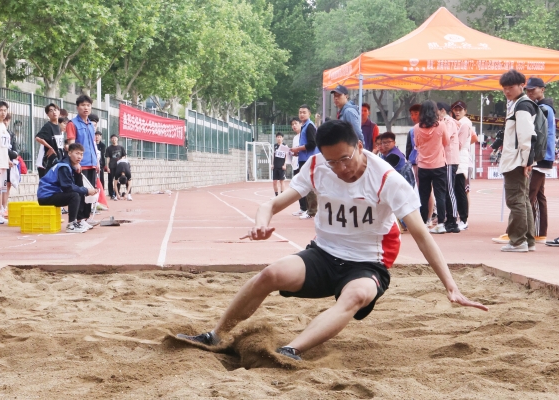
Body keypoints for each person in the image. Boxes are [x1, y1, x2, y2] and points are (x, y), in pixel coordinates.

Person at [176, 119, 487, 361]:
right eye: (332, 162)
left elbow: (421, 236)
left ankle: (290, 350)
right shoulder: (316, 167)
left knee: (355, 295)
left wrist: (451, 286)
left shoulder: (387, 179)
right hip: (323, 254)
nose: (340, 169)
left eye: (345, 159)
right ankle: (216, 335)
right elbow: (270, 205)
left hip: (367, 264)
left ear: (361, 146)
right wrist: (260, 223)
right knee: (270, 274)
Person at [493, 70, 537, 252]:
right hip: (518, 159)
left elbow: (526, 136)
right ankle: (527, 240)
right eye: (504, 88)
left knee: (516, 201)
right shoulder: (519, 104)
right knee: (522, 200)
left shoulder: (522, 106)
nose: (507, 91)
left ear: (521, 85)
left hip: (516, 161)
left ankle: (518, 241)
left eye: (510, 87)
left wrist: (526, 161)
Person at [37, 143, 98, 233]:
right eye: (77, 153)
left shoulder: (68, 165)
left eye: (81, 154)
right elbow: (68, 187)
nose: (79, 157)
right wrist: (86, 190)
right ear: (69, 153)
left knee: (78, 190)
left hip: (52, 195)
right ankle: (71, 225)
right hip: (46, 197)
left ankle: (79, 220)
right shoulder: (63, 167)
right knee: (74, 195)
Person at [523, 77, 556, 246]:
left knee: (530, 195)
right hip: (544, 155)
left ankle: (524, 232)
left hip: (540, 156)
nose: (529, 92)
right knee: (539, 195)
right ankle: (539, 233)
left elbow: (539, 134)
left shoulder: (543, 108)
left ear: (542, 89)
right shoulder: (545, 107)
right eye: (527, 90)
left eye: (533, 89)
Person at [415, 100, 449, 234]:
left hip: (423, 165)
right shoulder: (441, 126)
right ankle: (440, 224)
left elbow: (417, 144)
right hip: (439, 165)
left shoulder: (416, 128)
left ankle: (423, 223)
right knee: (440, 195)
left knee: (423, 195)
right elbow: (446, 142)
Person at [65, 95, 99, 227]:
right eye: (83, 105)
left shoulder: (90, 125)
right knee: (79, 192)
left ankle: (86, 217)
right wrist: (75, 163)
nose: (86, 108)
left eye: (88, 105)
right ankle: (78, 220)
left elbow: (93, 144)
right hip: (81, 164)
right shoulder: (72, 124)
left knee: (90, 192)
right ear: (77, 107)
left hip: (92, 163)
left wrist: (96, 161)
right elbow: (71, 145)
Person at [290, 105, 319, 220]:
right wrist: (298, 152)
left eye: (304, 112)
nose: (302, 114)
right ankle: (308, 209)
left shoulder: (310, 126)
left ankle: (312, 211)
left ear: (309, 114)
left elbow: (312, 144)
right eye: (300, 112)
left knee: (308, 185)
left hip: (308, 160)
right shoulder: (304, 126)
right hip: (303, 158)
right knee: (305, 184)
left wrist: (298, 149)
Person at [437, 102, 461, 233]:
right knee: (446, 190)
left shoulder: (448, 122)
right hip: (446, 160)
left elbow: (443, 138)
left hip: (449, 160)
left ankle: (453, 220)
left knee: (450, 190)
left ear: (442, 110)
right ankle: (449, 218)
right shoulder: (445, 122)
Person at [451, 101, 472, 231]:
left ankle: (463, 219)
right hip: (456, 159)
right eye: (455, 109)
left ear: (465, 111)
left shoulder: (465, 124)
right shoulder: (457, 123)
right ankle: (459, 217)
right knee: (455, 191)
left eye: (460, 109)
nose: (457, 111)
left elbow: (459, 144)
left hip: (460, 160)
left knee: (460, 191)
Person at [35, 103, 62, 179]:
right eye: (51, 111)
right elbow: (38, 138)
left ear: (59, 112)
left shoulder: (58, 127)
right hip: (50, 161)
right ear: (47, 114)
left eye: (55, 110)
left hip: (58, 159)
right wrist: (50, 147)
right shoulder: (48, 126)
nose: (54, 112)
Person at [289, 118, 305, 216]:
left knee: (303, 186)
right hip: (295, 164)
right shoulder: (295, 137)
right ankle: (302, 208)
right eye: (292, 124)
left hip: (302, 163)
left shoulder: (303, 136)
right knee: (297, 187)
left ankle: (307, 208)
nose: (294, 126)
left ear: (300, 124)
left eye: (296, 123)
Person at [105, 134, 126, 200]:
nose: (114, 139)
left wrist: (121, 162)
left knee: (118, 180)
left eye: (115, 138)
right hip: (111, 166)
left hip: (119, 167)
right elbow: (108, 158)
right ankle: (112, 194)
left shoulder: (121, 147)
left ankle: (117, 193)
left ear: (117, 139)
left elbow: (124, 156)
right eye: (112, 138)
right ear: (111, 140)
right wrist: (107, 167)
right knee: (110, 180)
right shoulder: (109, 148)